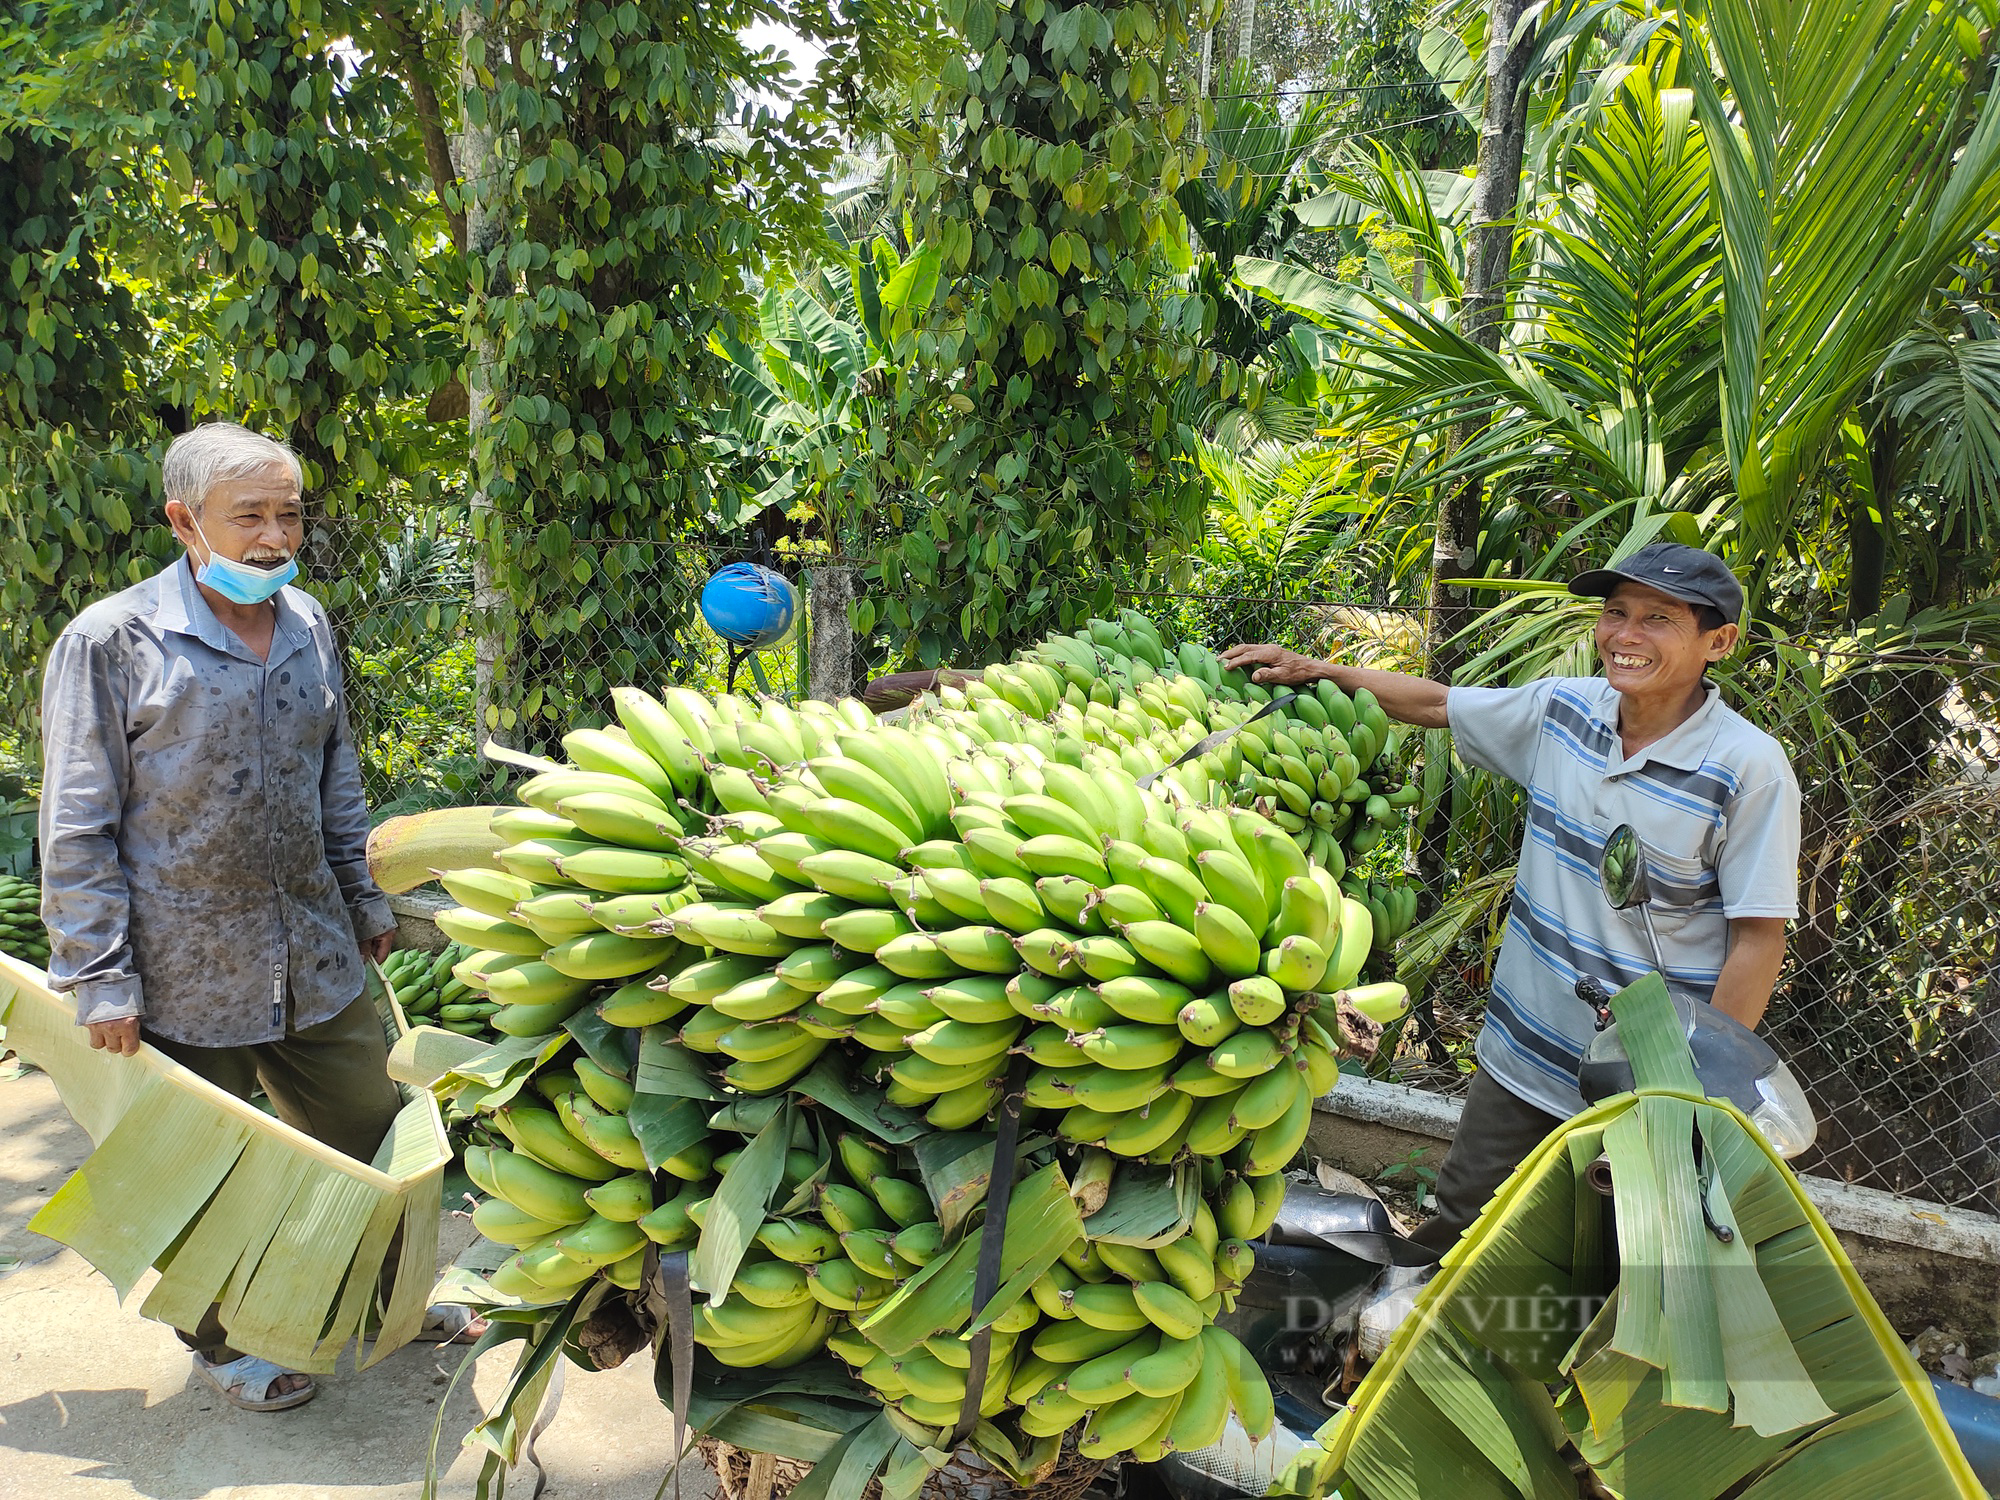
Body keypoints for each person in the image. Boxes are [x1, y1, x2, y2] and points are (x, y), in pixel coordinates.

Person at [38, 421, 479, 1412]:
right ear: (185, 521)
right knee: (206, 1175)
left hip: (314, 951)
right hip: (180, 972)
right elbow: (76, 826)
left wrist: (364, 896)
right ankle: (224, 1343)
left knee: (378, 1134)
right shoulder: (112, 642)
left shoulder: (309, 623)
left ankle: (380, 1300)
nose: (276, 535)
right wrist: (100, 975)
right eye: (251, 515)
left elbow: (336, 777)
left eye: (288, 513)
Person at [1221, 543, 1800, 1254]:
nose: (1624, 636)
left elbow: (1758, 940)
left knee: (1603, 1265)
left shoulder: (1747, 770)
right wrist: (1319, 670)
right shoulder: (1566, 711)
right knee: (1460, 1232)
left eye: (1657, 619)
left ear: (1720, 642)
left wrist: (1691, 1096)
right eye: (1615, 613)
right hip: (1521, 1056)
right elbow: (1439, 704)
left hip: (1642, 1085)